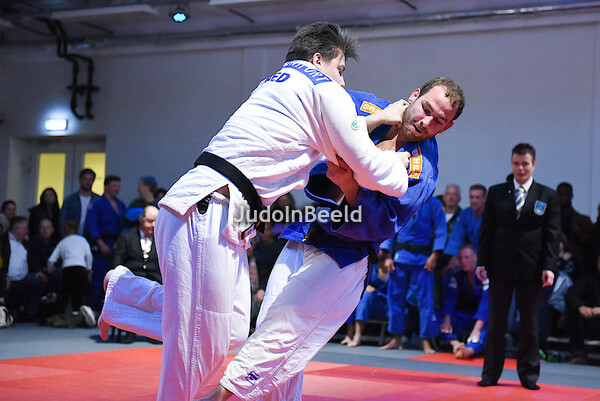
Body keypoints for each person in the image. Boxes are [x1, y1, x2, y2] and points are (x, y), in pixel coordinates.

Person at [101, 21, 415, 401]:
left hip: (212, 209)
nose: (343, 81)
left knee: (232, 330)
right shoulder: (325, 89)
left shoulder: (278, 83)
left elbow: (332, 130)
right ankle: (128, 296)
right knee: (196, 355)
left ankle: (125, 292)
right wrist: (398, 167)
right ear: (319, 60)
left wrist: (378, 119)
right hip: (209, 208)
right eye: (341, 68)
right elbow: (368, 166)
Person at [476, 143, 560, 391]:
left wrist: (549, 266)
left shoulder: (547, 195)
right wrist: (482, 262)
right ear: (511, 164)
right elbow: (486, 230)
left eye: (525, 164)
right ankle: (491, 374)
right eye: (516, 164)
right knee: (496, 323)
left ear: (534, 165)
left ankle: (529, 375)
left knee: (530, 325)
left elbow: (552, 235)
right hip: (499, 265)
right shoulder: (497, 192)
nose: (520, 168)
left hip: (532, 268)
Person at [379, 195, 446, 354]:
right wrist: (387, 256)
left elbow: (441, 230)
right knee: (395, 299)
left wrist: (435, 255)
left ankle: (426, 340)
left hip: (423, 259)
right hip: (400, 257)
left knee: (425, 301)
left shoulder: (434, 204)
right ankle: (396, 338)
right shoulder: (400, 199)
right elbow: (391, 227)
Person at [439, 244, 488, 359]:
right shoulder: (457, 275)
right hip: (463, 315)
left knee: (488, 328)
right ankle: (455, 343)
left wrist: (477, 329)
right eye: (460, 258)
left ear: (475, 258)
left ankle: (469, 350)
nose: (463, 261)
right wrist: (447, 321)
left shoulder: (484, 275)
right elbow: (450, 299)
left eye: (467, 257)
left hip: (481, 317)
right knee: (440, 318)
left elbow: (486, 303)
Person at [86, 175, 126, 311]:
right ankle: (95, 311)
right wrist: (100, 243)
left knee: (115, 280)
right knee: (98, 280)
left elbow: (123, 226)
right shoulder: (97, 204)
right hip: (102, 244)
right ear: (106, 186)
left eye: (118, 186)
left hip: (117, 245)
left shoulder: (121, 205)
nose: (116, 189)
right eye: (114, 186)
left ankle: (111, 312)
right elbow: (92, 225)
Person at [0, 216, 46, 321]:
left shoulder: (25, 243)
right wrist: (3, 276)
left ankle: (30, 313)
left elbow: (33, 260)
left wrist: (38, 271)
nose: (27, 231)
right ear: (17, 229)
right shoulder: (3, 241)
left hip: (23, 278)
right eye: (25, 228)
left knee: (40, 282)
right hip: (7, 278)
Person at [47, 220, 93, 315]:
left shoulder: (62, 242)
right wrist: (89, 268)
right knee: (85, 292)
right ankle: (87, 313)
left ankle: (64, 314)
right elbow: (89, 255)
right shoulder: (82, 240)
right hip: (80, 268)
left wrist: (50, 270)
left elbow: (51, 260)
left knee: (67, 293)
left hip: (67, 269)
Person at [564, 254, 600, 364]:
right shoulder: (593, 280)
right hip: (595, 322)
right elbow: (571, 292)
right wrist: (580, 307)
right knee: (573, 312)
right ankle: (579, 354)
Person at [556, 182, 595, 280]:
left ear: (571, 195)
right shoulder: (551, 220)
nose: (563, 197)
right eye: (560, 194)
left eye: (566, 194)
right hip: (555, 263)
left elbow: (592, 243)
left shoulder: (582, 220)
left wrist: (579, 234)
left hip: (578, 266)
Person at [59, 168, 100, 237]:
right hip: (72, 235)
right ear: (80, 180)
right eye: (85, 179)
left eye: (90, 179)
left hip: (92, 237)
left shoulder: (98, 200)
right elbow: (62, 220)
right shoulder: (70, 200)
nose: (87, 182)